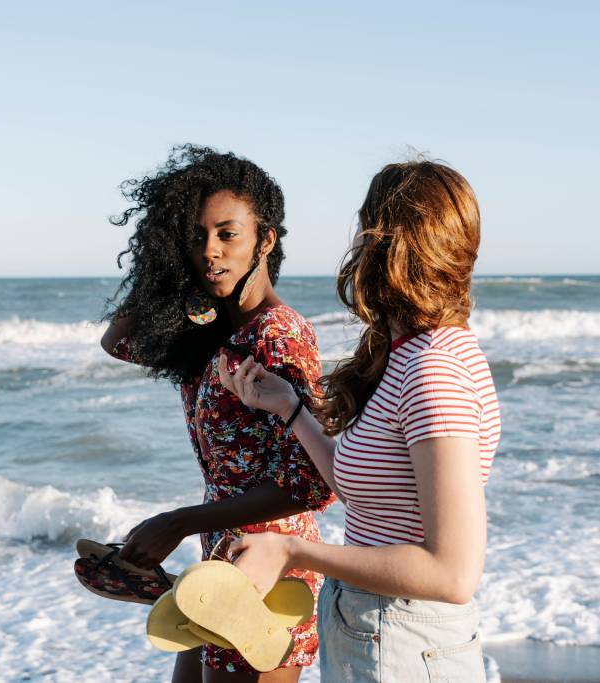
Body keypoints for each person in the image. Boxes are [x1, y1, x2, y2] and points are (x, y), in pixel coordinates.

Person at [218, 159, 500, 682]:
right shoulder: (410, 353)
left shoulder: (433, 370)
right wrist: (291, 407)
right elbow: (374, 495)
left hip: (404, 642)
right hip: (378, 631)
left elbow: (452, 572)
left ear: (383, 243)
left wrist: (292, 550)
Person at [100, 145, 335, 683]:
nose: (211, 251)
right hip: (220, 563)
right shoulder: (210, 336)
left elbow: (311, 486)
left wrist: (178, 522)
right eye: (197, 237)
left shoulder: (278, 334)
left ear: (265, 239)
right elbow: (118, 340)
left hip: (269, 575)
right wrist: (165, 268)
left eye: (228, 234)